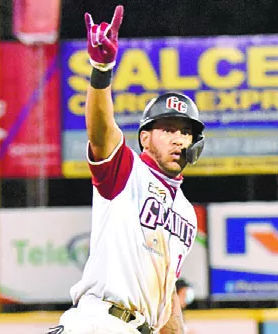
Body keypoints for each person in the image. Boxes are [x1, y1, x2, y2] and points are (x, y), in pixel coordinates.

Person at [48, 4, 205, 334]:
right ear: (145, 138)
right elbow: (101, 130)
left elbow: (166, 293)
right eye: (168, 130)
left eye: (185, 131)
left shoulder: (187, 214)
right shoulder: (127, 171)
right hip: (99, 321)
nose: (179, 139)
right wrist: (101, 70)